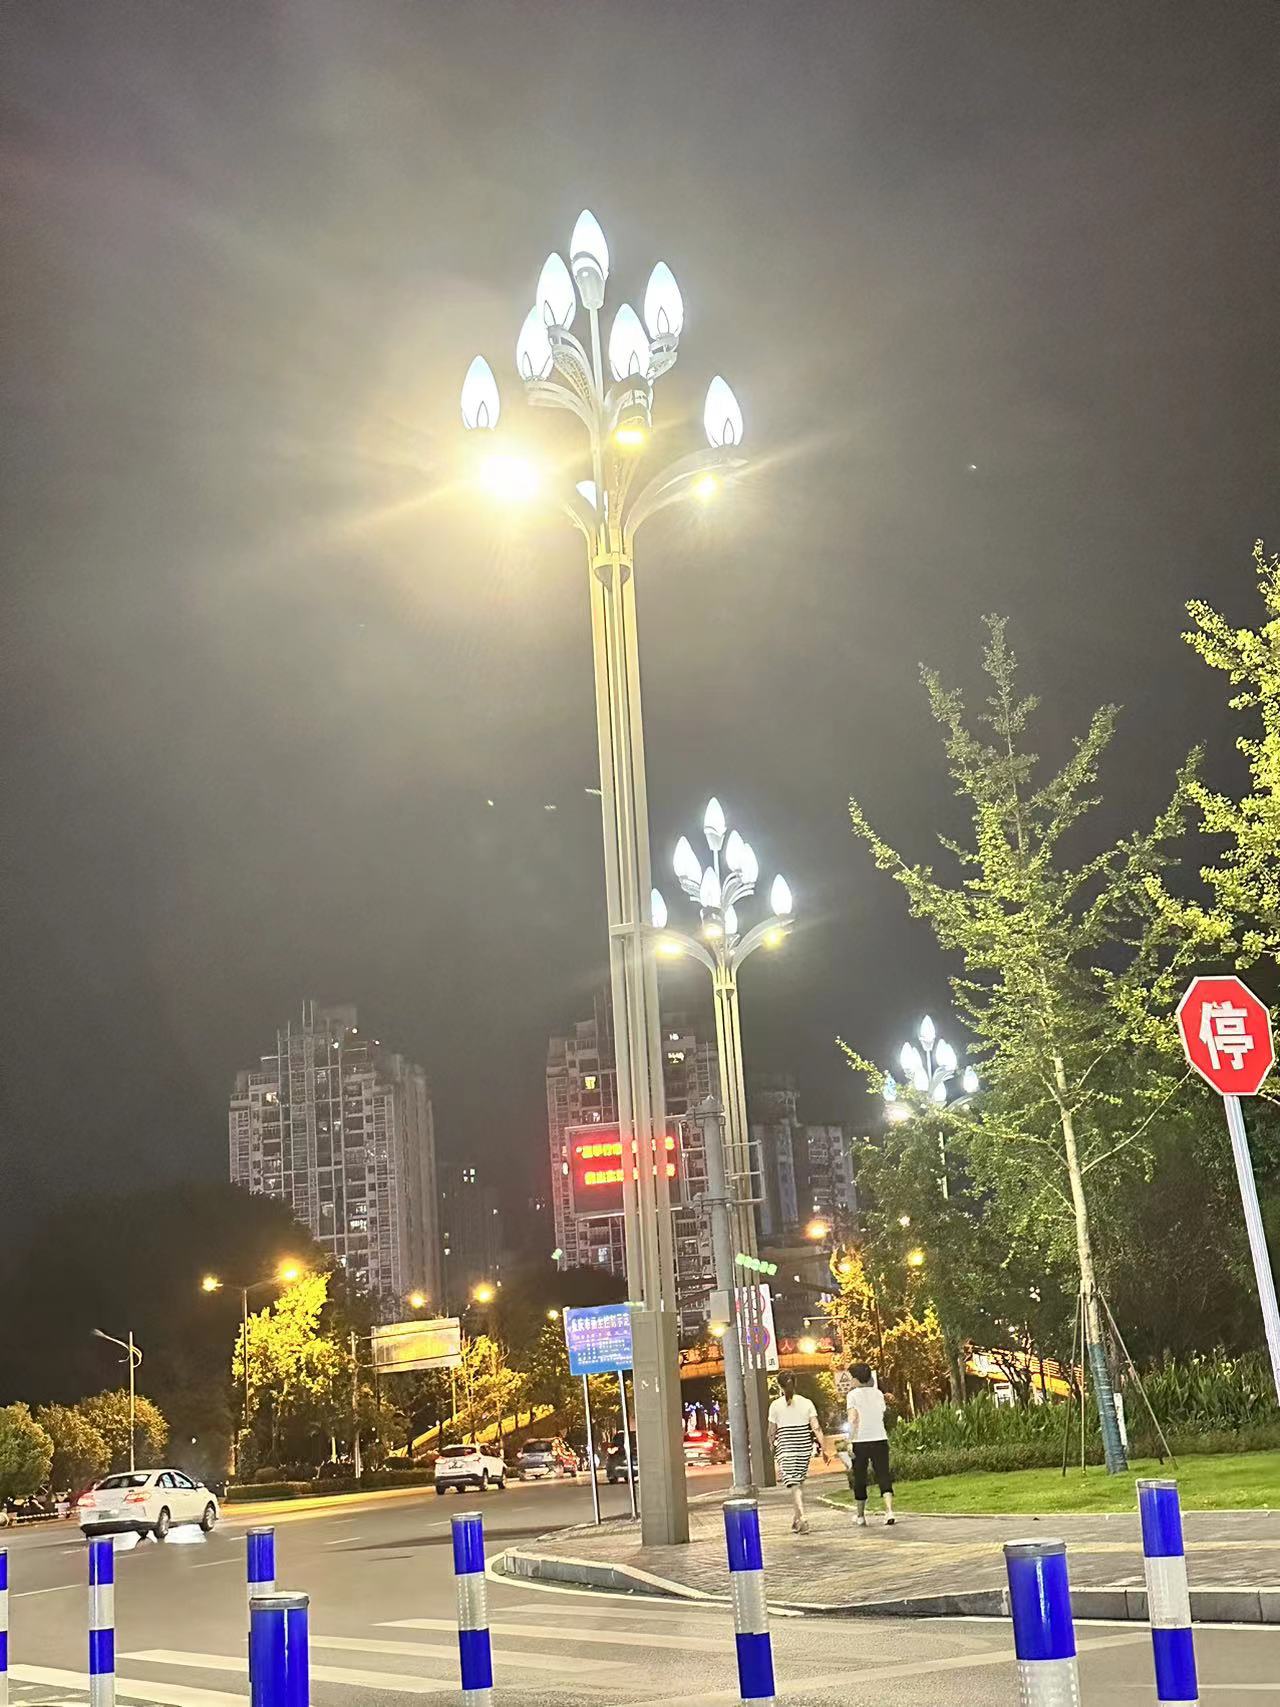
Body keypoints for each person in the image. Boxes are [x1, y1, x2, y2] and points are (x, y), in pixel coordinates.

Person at [767, 1370, 829, 1533]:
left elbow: (771, 1431)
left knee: (795, 1484)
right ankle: (796, 1519)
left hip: (786, 1449)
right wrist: (824, 1448)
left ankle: (802, 1518)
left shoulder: (775, 1406)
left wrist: (771, 1445)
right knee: (798, 1483)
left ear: (779, 1385)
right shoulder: (807, 1403)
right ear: (795, 1383)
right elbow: (816, 1427)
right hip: (804, 1448)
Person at [846, 1362, 895, 1526]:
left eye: (851, 1377)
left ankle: (860, 1516)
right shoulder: (878, 1394)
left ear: (856, 1378)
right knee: (883, 1474)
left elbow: (853, 1419)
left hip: (860, 1440)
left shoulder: (852, 1395)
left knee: (860, 1477)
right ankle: (889, 1511)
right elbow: (881, 1413)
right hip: (879, 1438)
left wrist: (849, 1440)